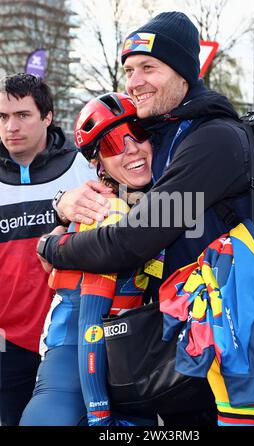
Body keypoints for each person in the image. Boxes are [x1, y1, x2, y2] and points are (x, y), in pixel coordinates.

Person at [37, 12, 254, 425]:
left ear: (185, 71)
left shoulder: (213, 141)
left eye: (149, 67)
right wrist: (61, 206)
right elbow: (115, 188)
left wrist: (51, 247)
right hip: (186, 348)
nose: (135, 81)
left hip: (232, 352)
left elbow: (131, 240)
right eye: (129, 69)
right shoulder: (166, 134)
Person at [20, 92, 154, 426]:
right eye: (110, 144)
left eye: (137, 132)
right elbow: (89, 325)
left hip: (125, 357)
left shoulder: (155, 203)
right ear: (98, 164)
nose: (131, 148)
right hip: (78, 357)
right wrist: (99, 414)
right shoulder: (105, 210)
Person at [0, 73, 97, 426]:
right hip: (7, 345)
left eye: (23, 115)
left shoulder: (83, 169)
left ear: (47, 117)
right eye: (2, 117)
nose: (11, 126)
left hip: (69, 340)